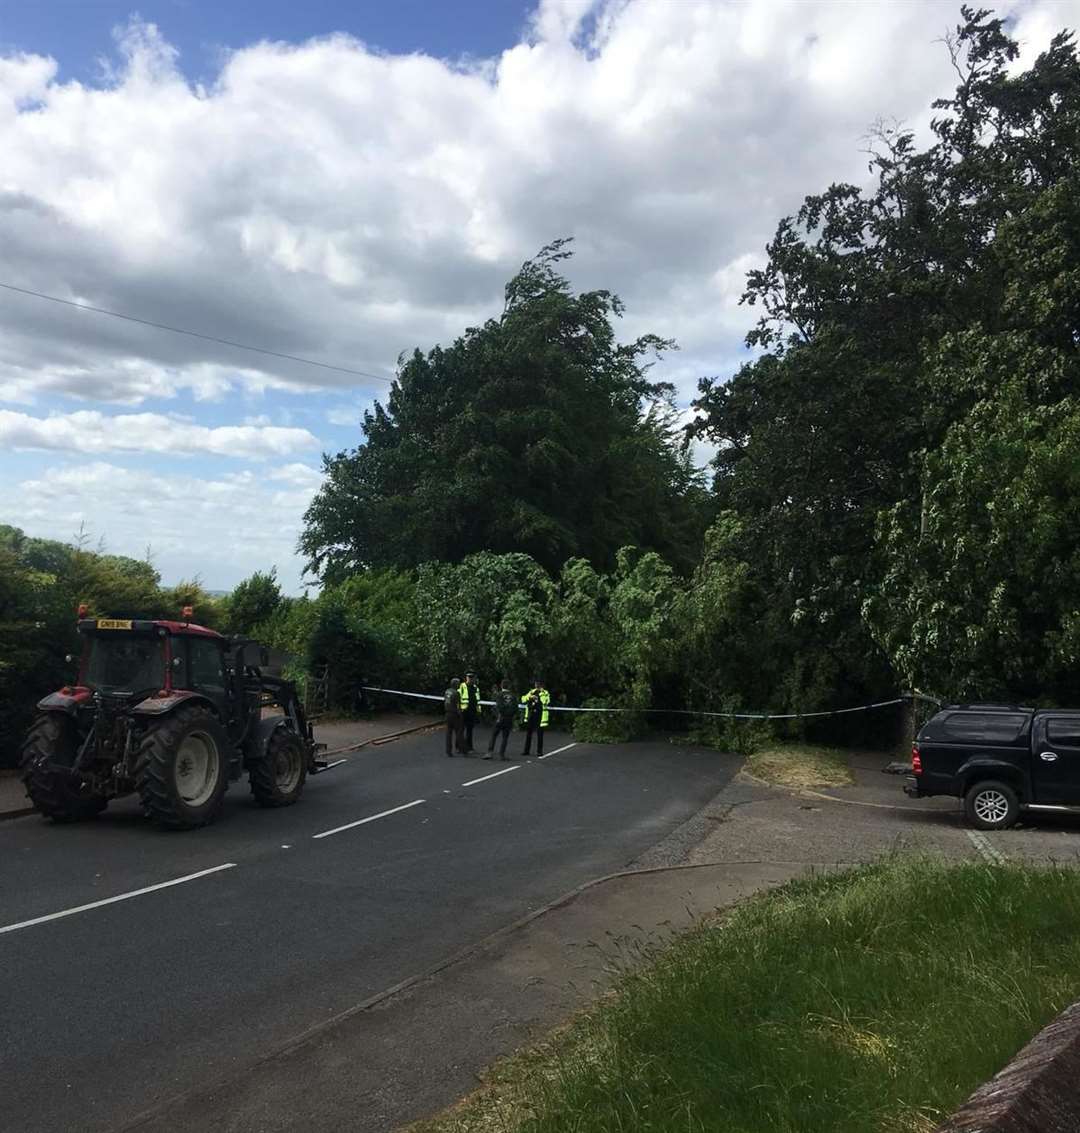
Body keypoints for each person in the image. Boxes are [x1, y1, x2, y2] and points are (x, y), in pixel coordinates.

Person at [485, 679, 517, 760]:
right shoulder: (513, 696)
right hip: (509, 718)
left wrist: (501, 713)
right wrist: (510, 714)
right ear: (509, 686)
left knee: (494, 735)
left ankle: (490, 752)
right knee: (505, 737)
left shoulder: (499, 695)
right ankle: (501, 754)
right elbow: (515, 708)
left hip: (500, 718)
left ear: (501, 686)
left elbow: (499, 707)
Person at [519, 678, 551, 757]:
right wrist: (529, 697)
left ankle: (539, 751)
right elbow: (522, 699)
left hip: (540, 716)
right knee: (528, 733)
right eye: (536, 684)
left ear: (541, 685)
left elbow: (546, 701)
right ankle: (526, 750)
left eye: (538, 684)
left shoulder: (545, 692)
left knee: (540, 734)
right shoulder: (532, 692)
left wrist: (540, 695)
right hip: (531, 714)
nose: (536, 685)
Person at [444, 677, 466, 757]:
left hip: (447, 713)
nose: (459, 685)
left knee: (448, 734)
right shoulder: (456, 693)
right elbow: (458, 706)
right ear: (455, 684)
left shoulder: (447, 691)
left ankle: (448, 751)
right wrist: (460, 715)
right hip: (454, 715)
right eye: (458, 683)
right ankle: (463, 750)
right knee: (459, 732)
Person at [459, 671, 480, 753]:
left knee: (469, 730)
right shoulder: (462, 686)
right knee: (461, 729)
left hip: (472, 711)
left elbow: (477, 700)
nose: (471, 680)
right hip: (463, 711)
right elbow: (458, 697)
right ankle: (459, 747)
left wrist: (478, 711)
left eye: (472, 678)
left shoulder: (475, 688)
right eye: (470, 678)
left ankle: (469, 747)